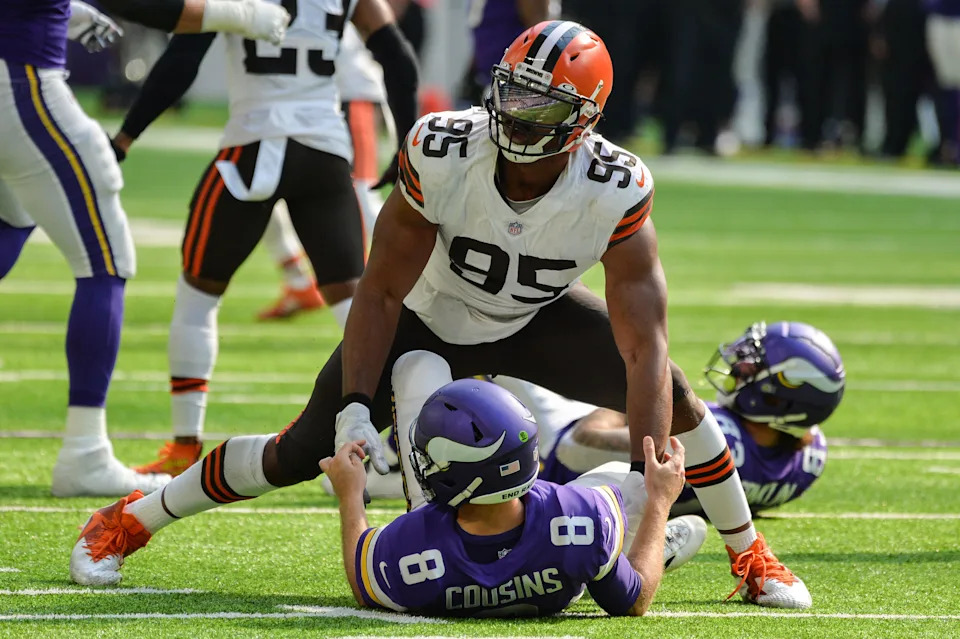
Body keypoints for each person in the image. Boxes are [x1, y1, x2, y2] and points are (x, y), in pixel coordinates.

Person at [70, 21, 811, 609]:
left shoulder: (614, 185)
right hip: (426, 315)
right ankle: (133, 518)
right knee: (298, 451)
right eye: (512, 94)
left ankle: (748, 553)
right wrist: (359, 408)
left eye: (540, 105)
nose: (518, 115)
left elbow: (642, 344)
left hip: (530, 316)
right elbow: (382, 288)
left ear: (583, 122)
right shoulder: (445, 146)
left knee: (678, 401)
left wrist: (654, 473)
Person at [107, 0, 419, 477]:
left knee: (197, 295)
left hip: (249, 149)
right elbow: (396, 55)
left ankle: (184, 446)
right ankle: (405, 442)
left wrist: (127, 136)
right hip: (323, 153)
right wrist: (403, 144)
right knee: (359, 305)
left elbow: (182, 58)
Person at [0, 0, 285, 497]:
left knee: (13, 217)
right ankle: (85, 453)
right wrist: (239, 15)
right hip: (21, 85)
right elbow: (148, 5)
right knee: (105, 261)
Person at [326, 377, 695, 616]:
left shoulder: (410, 547)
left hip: (443, 546)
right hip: (562, 551)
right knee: (624, 484)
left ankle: (633, 551)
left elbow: (365, 586)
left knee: (415, 365)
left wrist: (351, 496)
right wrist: (660, 501)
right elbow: (633, 601)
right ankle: (650, 549)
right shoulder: (583, 516)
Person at [494, 321, 842, 517]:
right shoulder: (806, 461)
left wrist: (636, 394)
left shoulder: (720, 439)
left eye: (751, 367)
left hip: (567, 461)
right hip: (621, 487)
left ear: (775, 399)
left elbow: (583, 442)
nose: (737, 367)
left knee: (500, 342)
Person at [258, 22, 390, 321]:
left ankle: (408, 278)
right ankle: (297, 280)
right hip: (292, 99)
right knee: (255, 183)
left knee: (359, 191)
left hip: (344, 93)